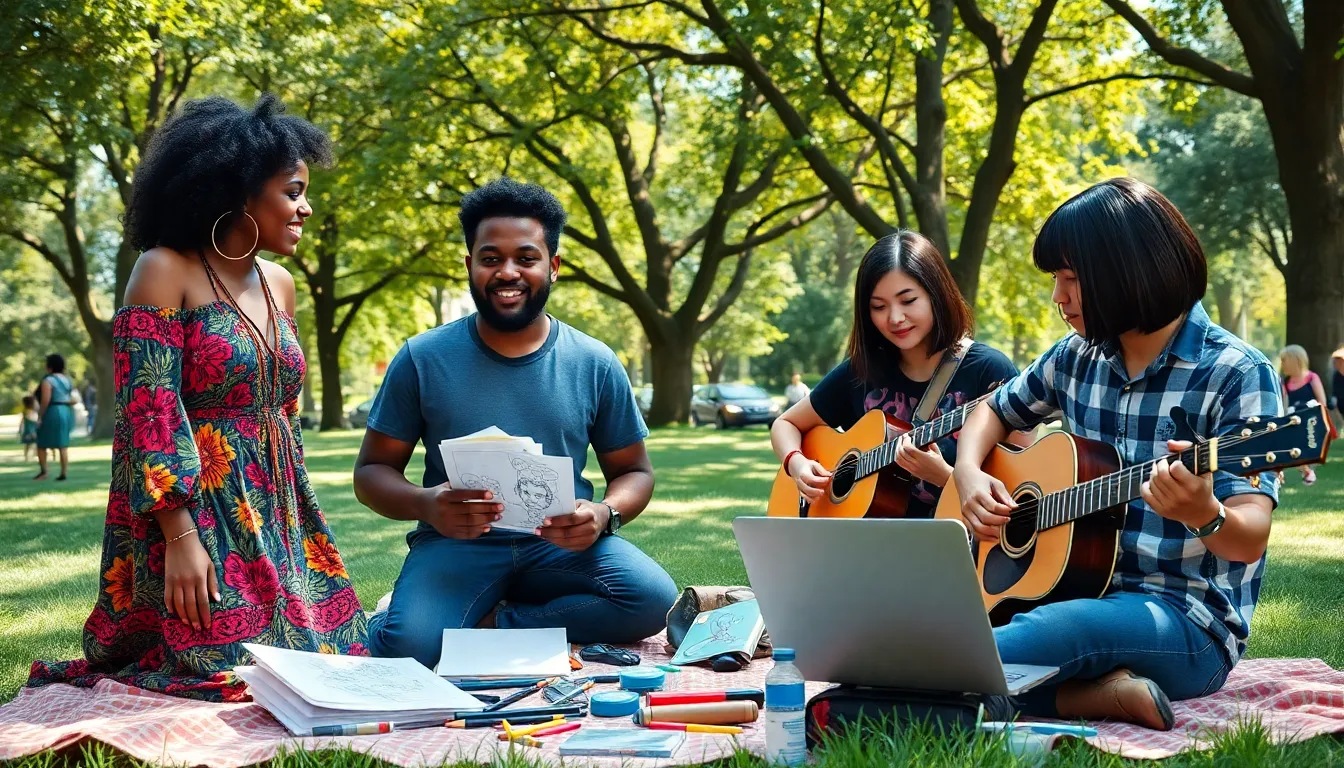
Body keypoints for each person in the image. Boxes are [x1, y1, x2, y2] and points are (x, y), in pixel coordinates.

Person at [27, 94, 366, 702]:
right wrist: (180, 537)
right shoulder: (163, 269)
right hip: (193, 508)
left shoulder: (281, 283)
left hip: (278, 506)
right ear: (240, 193)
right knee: (228, 672)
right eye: (293, 192)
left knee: (336, 660)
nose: (306, 208)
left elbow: (283, 412)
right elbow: (148, 413)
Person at [954, 178, 1282, 730]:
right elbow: (991, 411)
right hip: (1070, 591)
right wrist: (968, 473)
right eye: (1055, 279)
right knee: (1003, 628)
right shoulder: (1075, 357)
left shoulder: (1237, 373)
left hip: (1185, 623)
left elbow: (1249, 537)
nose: (1058, 297)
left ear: (1129, 270)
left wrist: (1204, 512)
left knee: (1026, 639)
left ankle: (914, 685)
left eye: (1071, 278)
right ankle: (1094, 696)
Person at [354, 177, 678, 668]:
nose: (508, 272)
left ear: (553, 266)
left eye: (526, 258)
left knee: (651, 599)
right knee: (408, 647)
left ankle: (494, 623)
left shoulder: (594, 361)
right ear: (470, 265)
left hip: (560, 547)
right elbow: (371, 473)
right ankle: (410, 619)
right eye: (491, 258)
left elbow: (635, 471)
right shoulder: (423, 357)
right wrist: (427, 504)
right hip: (456, 545)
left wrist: (604, 514)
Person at [770, 230, 1028, 520]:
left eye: (908, 301)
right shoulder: (861, 370)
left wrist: (946, 477)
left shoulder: (991, 373)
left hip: (956, 541)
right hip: (862, 540)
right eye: (878, 307)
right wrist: (797, 464)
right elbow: (785, 423)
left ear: (937, 295)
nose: (894, 318)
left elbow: (1023, 497)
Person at [1277, 344, 1324, 485]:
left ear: (1294, 360)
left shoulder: (1312, 378)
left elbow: (1322, 403)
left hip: (1311, 421)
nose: (1282, 364)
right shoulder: (1286, 382)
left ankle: (1307, 470)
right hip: (1294, 420)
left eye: (1284, 360)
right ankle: (1306, 470)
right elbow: (1284, 406)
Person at [34, 354, 76, 481]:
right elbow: (72, 398)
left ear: (50, 366)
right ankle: (63, 473)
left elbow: (45, 400)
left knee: (42, 442)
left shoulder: (48, 380)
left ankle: (44, 471)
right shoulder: (67, 380)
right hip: (66, 411)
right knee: (63, 444)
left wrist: (40, 416)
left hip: (52, 411)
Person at [19, 395, 40, 462]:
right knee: (34, 443)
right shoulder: (30, 412)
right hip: (31, 431)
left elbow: (22, 422)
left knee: (28, 444)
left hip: (29, 431)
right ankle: (33, 455)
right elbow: (34, 420)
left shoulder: (27, 411)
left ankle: (28, 456)